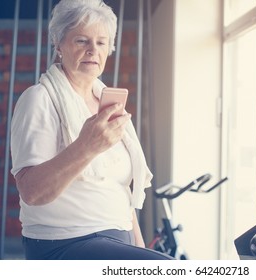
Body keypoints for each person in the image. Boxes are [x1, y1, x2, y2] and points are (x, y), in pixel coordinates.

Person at [10, 0, 172, 260]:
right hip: (63, 242)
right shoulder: (38, 99)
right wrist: (86, 147)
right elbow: (32, 191)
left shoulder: (107, 102)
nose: (92, 50)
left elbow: (119, 188)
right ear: (59, 45)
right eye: (81, 41)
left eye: (101, 42)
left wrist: (140, 249)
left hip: (117, 237)